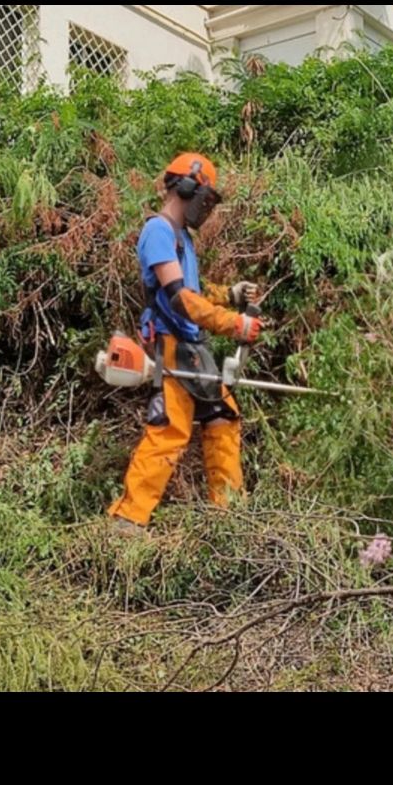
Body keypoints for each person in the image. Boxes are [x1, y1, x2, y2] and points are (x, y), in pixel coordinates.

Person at [107, 153, 265, 536]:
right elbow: (178, 297)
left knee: (221, 417)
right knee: (170, 428)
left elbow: (194, 290)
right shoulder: (158, 231)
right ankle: (128, 519)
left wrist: (228, 294)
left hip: (191, 344)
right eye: (206, 198)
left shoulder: (182, 239)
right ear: (187, 187)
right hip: (172, 342)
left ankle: (228, 513)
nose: (207, 208)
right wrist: (233, 324)